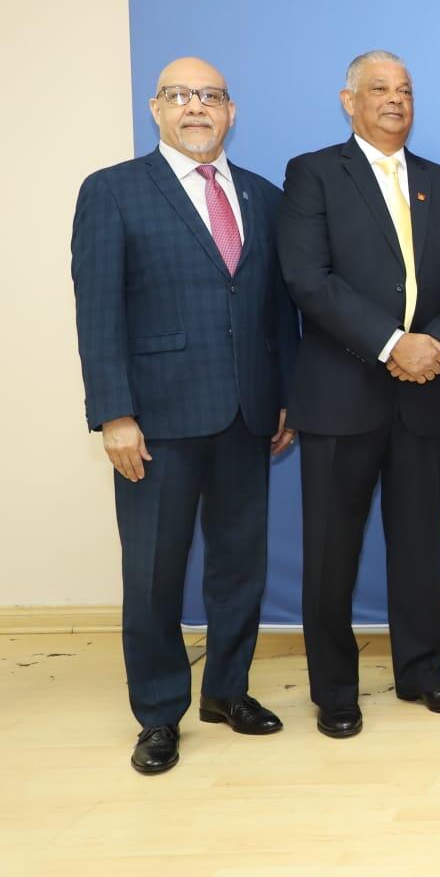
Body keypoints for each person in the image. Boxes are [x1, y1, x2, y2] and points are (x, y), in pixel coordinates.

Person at [71, 57, 298, 774]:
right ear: (155, 109)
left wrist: (285, 392)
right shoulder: (113, 191)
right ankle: (160, 713)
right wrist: (113, 413)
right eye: (180, 96)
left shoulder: (264, 195)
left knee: (239, 567)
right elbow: (98, 309)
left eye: (210, 97)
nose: (196, 108)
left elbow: (275, 309)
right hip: (157, 421)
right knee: (154, 575)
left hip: (247, 413)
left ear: (231, 112)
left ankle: (227, 691)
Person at [278, 51, 440, 738]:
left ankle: (423, 670)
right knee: (332, 552)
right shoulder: (313, 174)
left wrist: (432, 347)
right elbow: (309, 279)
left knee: (420, 545)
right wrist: (391, 343)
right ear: (349, 100)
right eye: (379, 89)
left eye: (404, 90)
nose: (394, 100)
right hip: (343, 392)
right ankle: (335, 690)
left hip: (428, 390)